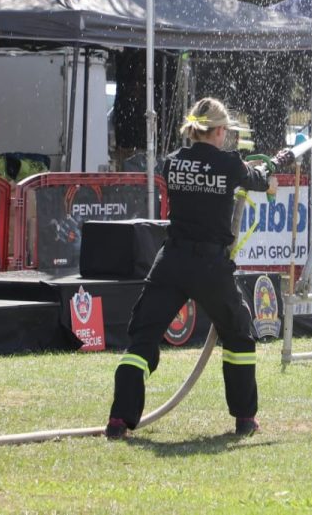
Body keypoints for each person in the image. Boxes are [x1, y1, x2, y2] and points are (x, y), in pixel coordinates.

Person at [104, 97, 293, 440]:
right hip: (210, 265)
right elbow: (256, 178)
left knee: (143, 336)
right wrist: (274, 166)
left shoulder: (173, 163)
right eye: (226, 132)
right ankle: (245, 419)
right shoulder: (229, 164)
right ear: (219, 130)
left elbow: (219, 176)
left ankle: (119, 420)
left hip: (171, 260)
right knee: (238, 334)